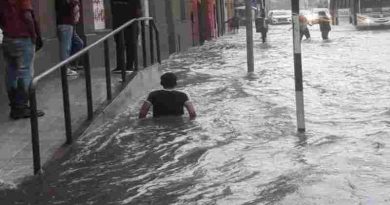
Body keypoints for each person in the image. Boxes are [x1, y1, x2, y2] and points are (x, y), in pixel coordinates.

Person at [0, 0, 45, 119]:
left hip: (8, 38)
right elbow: (27, 15)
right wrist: (34, 36)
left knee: (11, 72)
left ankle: (15, 107)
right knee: (25, 72)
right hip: (23, 37)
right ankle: (22, 107)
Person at [111, 0, 141, 72]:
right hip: (129, 23)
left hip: (120, 23)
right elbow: (138, 12)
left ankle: (122, 66)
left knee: (121, 45)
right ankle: (128, 66)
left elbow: (112, 10)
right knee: (129, 45)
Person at [55, 0, 81, 76]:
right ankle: (65, 69)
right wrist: (75, 3)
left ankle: (67, 66)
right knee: (65, 48)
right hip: (65, 24)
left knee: (74, 44)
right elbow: (68, 6)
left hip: (66, 23)